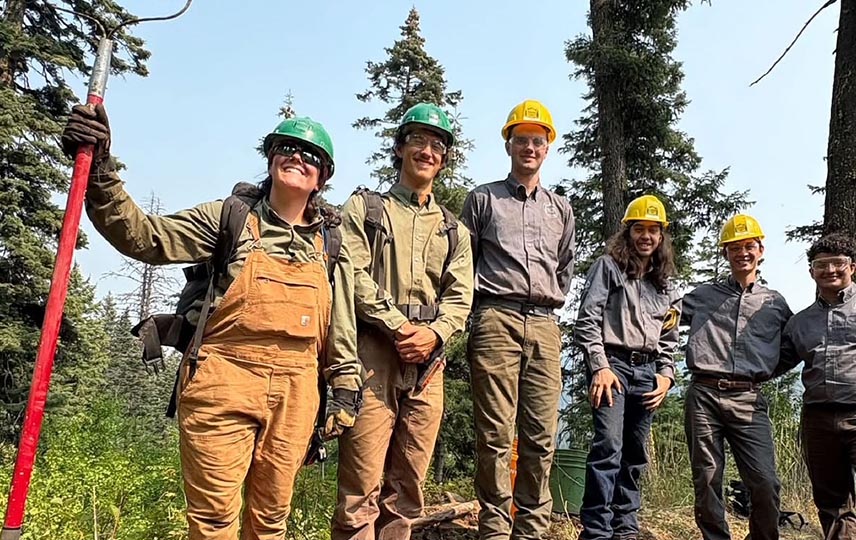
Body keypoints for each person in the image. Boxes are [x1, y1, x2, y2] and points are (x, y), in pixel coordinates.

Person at [61, 104, 363, 540]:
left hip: (298, 392)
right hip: (224, 377)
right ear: (270, 157)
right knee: (213, 521)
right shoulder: (229, 218)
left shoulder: (331, 243)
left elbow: (342, 327)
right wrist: (101, 169)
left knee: (270, 521)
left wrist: (345, 389)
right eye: (286, 147)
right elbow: (145, 236)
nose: (296, 157)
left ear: (323, 176)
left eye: (309, 154)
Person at [331, 102, 474, 540]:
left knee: (407, 492)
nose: (427, 150)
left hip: (428, 366)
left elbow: (460, 297)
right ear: (399, 148)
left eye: (436, 144)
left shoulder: (454, 231)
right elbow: (349, 272)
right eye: (417, 140)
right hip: (371, 355)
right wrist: (397, 326)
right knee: (359, 490)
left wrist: (433, 334)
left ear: (444, 158)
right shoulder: (364, 209)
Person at [460, 99, 575, 540]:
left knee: (541, 436)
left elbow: (564, 265)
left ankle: (530, 531)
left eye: (538, 140)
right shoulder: (482, 199)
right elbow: (462, 261)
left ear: (547, 148)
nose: (530, 147)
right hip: (495, 318)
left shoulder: (560, 209)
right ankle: (493, 528)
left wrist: (550, 302)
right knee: (494, 435)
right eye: (522, 139)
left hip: (545, 324)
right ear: (508, 144)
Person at [573, 195, 681, 540]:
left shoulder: (666, 282)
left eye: (653, 230)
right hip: (613, 367)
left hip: (648, 373)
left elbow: (670, 336)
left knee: (635, 454)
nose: (646, 236)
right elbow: (587, 321)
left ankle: (626, 528)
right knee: (608, 447)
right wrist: (599, 367)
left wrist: (667, 375)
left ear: (662, 236)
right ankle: (596, 531)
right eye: (639, 229)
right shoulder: (609, 267)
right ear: (628, 232)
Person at [681, 214, 792, 540]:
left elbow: (793, 345)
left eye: (749, 246)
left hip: (749, 397)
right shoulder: (703, 296)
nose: (742, 253)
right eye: (734, 247)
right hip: (704, 394)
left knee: (764, 480)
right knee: (707, 477)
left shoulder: (774, 303)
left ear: (760, 250)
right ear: (725, 253)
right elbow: (663, 318)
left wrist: (767, 368)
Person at [778, 233, 856, 539]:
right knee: (833, 503)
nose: (830, 270)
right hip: (818, 418)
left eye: (838, 263)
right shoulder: (800, 322)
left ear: (853, 267)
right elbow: (776, 362)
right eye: (821, 264)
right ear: (812, 272)